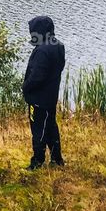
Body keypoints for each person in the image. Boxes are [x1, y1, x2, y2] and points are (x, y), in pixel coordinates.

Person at [22, 15, 65, 170]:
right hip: (50, 97)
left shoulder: (42, 51)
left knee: (38, 130)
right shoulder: (58, 46)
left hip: (39, 99)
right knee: (51, 127)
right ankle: (57, 159)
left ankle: (37, 162)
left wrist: (26, 87)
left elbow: (37, 76)